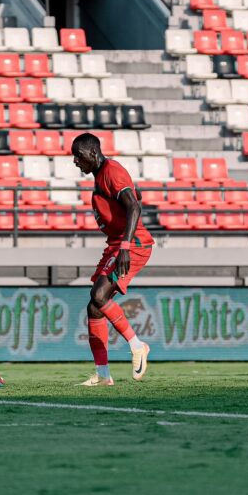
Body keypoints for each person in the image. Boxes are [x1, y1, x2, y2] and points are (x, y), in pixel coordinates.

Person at [72, 133, 152, 386]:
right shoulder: (100, 178)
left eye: (79, 155)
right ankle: (103, 375)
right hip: (116, 244)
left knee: (98, 296)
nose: (75, 161)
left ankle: (137, 345)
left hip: (132, 244)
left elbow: (134, 207)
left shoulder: (112, 171)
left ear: (93, 153)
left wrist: (126, 247)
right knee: (94, 306)